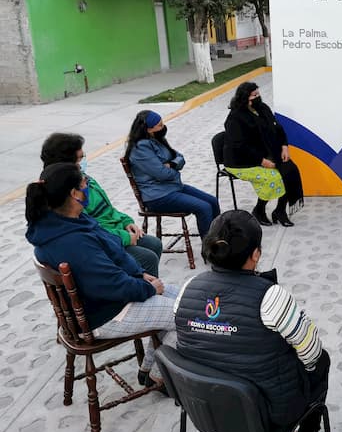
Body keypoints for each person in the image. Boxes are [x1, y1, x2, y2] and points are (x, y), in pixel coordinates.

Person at [174, 210, 330, 432]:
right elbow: (311, 353)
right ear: (255, 254)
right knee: (320, 361)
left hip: (210, 408)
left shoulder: (186, 290)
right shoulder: (271, 298)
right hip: (268, 413)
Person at [25, 162, 177, 385]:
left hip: (113, 299)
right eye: (85, 183)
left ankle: (148, 370)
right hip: (105, 315)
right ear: (74, 193)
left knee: (188, 299)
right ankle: (157, 376)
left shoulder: (72, 220)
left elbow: (115, 250)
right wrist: (148, 289)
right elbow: (112, 285)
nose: (89, 185)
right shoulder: (71, 241)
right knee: (189, 315)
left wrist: (140, 274)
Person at [40, 133, 163, 276]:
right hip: (104, 242)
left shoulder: (85, 178)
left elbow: (107, 208)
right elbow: (91, 230)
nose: (84, 161)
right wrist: (124, 237)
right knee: (147, 258)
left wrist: (125, 221)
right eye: (80, 158)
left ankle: (146, 282)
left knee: (154, 244)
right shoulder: (66, 193)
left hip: (113, 231)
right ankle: (145, 288)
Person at [125, 111, 220, 238]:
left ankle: (220, 240)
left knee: (212, 201)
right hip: (157, 196)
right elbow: (162, 174)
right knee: (203, 207)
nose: (163, 127)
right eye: (159, 125)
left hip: (173, 187)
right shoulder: (140, 149)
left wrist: (172, 165)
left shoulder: (157, 140)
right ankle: (210, 251)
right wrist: (173, 169)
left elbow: (180, 157)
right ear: (148, 129)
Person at [223, 82, 303, 227]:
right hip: (241, 161)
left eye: (258, 94)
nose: (258, 97)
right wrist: (262, 161)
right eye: (254, 95)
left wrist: (284, 146)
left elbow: (277, 128)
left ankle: (279, 211)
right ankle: (259, 210)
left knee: (290, 170)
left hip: (265, 153)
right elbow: (240, 146)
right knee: (275, 177)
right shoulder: (236, 117)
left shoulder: (262, 108)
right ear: (244, 97)